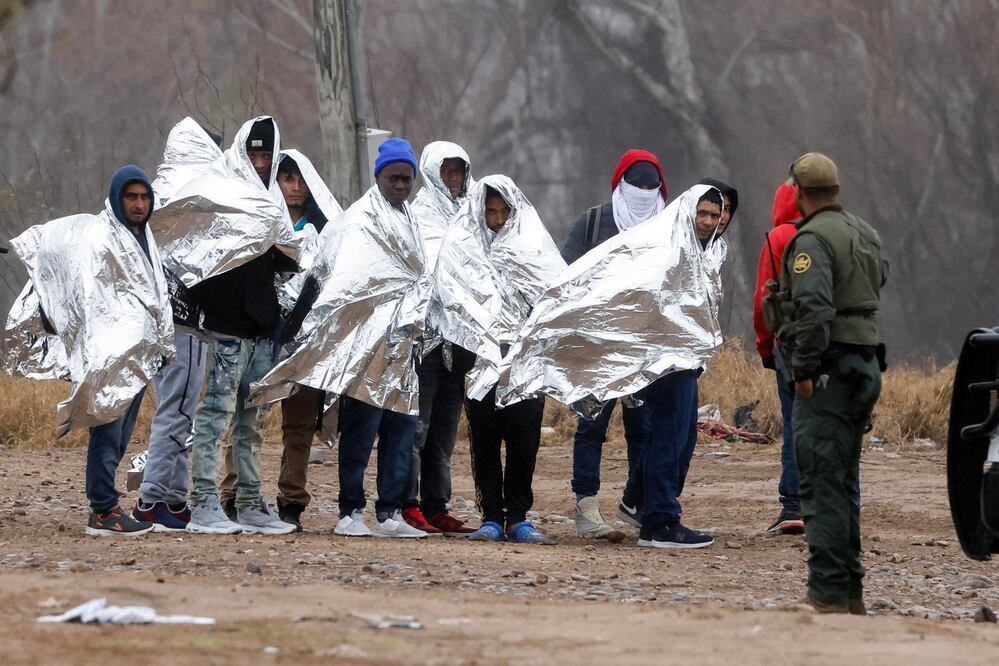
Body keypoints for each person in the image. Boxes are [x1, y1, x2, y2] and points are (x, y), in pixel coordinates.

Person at [773, 153, 887, 614]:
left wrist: (802, 369)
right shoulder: (865, 233)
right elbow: (878, 283)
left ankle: (827, 592)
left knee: (820, 483)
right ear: (836, 190)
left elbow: (815, 309)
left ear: (799, 192)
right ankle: (850, 591)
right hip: (864, 365)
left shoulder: (812, 240)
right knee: (843, 480)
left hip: (829, 372)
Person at [185, 117, 299, 536]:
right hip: (225, 332)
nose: (260, 161)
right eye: (254, 153)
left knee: (252, 425)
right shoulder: (221, 199)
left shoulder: (273, 205)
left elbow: (288, 261)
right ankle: (203, 503)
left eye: (267, 154)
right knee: (214, 419)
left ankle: (250, 502)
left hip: (261, 335)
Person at [443, 178, 564, 543]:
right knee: (485, 440)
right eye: (490, 212)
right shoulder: (465, 249)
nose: (497, 220)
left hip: (524, 363)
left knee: (524, 440)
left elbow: (554, 294)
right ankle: (492, 515)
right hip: (480, 361)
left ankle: (519, 516)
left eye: (503, 212)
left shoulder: (535, 248)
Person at [561, 149, 666, 539]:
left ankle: (636, 503)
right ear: (620, 184)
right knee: (591, 427)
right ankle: (586, 505)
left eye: (649, 185)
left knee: (646, 429)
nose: (642, 192)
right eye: (636, 184)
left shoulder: (667, 228)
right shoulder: (592, 223)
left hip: (647, 348)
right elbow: (564, 275)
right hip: (598, 348)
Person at [331, 138, 428, 538]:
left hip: (403, 348)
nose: (402, 184)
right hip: (367, 348)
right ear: (379, 177)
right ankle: (349, 511)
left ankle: (389, 512)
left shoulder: (411, 218)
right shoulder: (360, 218)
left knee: (401, 432)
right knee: (360, 432)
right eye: (395, 177)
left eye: (408, 178)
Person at [132, 124, 223, 532]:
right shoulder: (180, 198)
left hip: (185, 323)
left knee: (182, 409)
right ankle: (152, 498)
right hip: (180, 325)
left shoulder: (163, 195)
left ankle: (172, 497)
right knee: (176, 409)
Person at [403, 141, 477, 536]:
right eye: (446, 171)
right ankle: (406, 503)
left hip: (462, 341)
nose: (453, 178)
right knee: (418, 426)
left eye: (458, 171)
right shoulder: (418, 216)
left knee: (445, 429)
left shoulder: (474, 214)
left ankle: (437, 505)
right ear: (432, 172)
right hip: (426, 340)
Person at [270, 152, 332, 531]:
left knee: (299, 426)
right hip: (261, 335)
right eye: (286, 177)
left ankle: (291, 501)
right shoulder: (261, 221)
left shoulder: (326, 230)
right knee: (246, 418)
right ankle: (232, 497)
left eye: (299, 178)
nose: (294, 186)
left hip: (306, 340)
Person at [752, 180, 805, 535]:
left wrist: (765, 346)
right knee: (838, 426)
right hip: (843, 345)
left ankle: (794, 509)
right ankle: (847, 505)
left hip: (793, 346)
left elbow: (763, 302)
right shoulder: (841, 231)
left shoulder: (779, 238)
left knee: (795, 425)